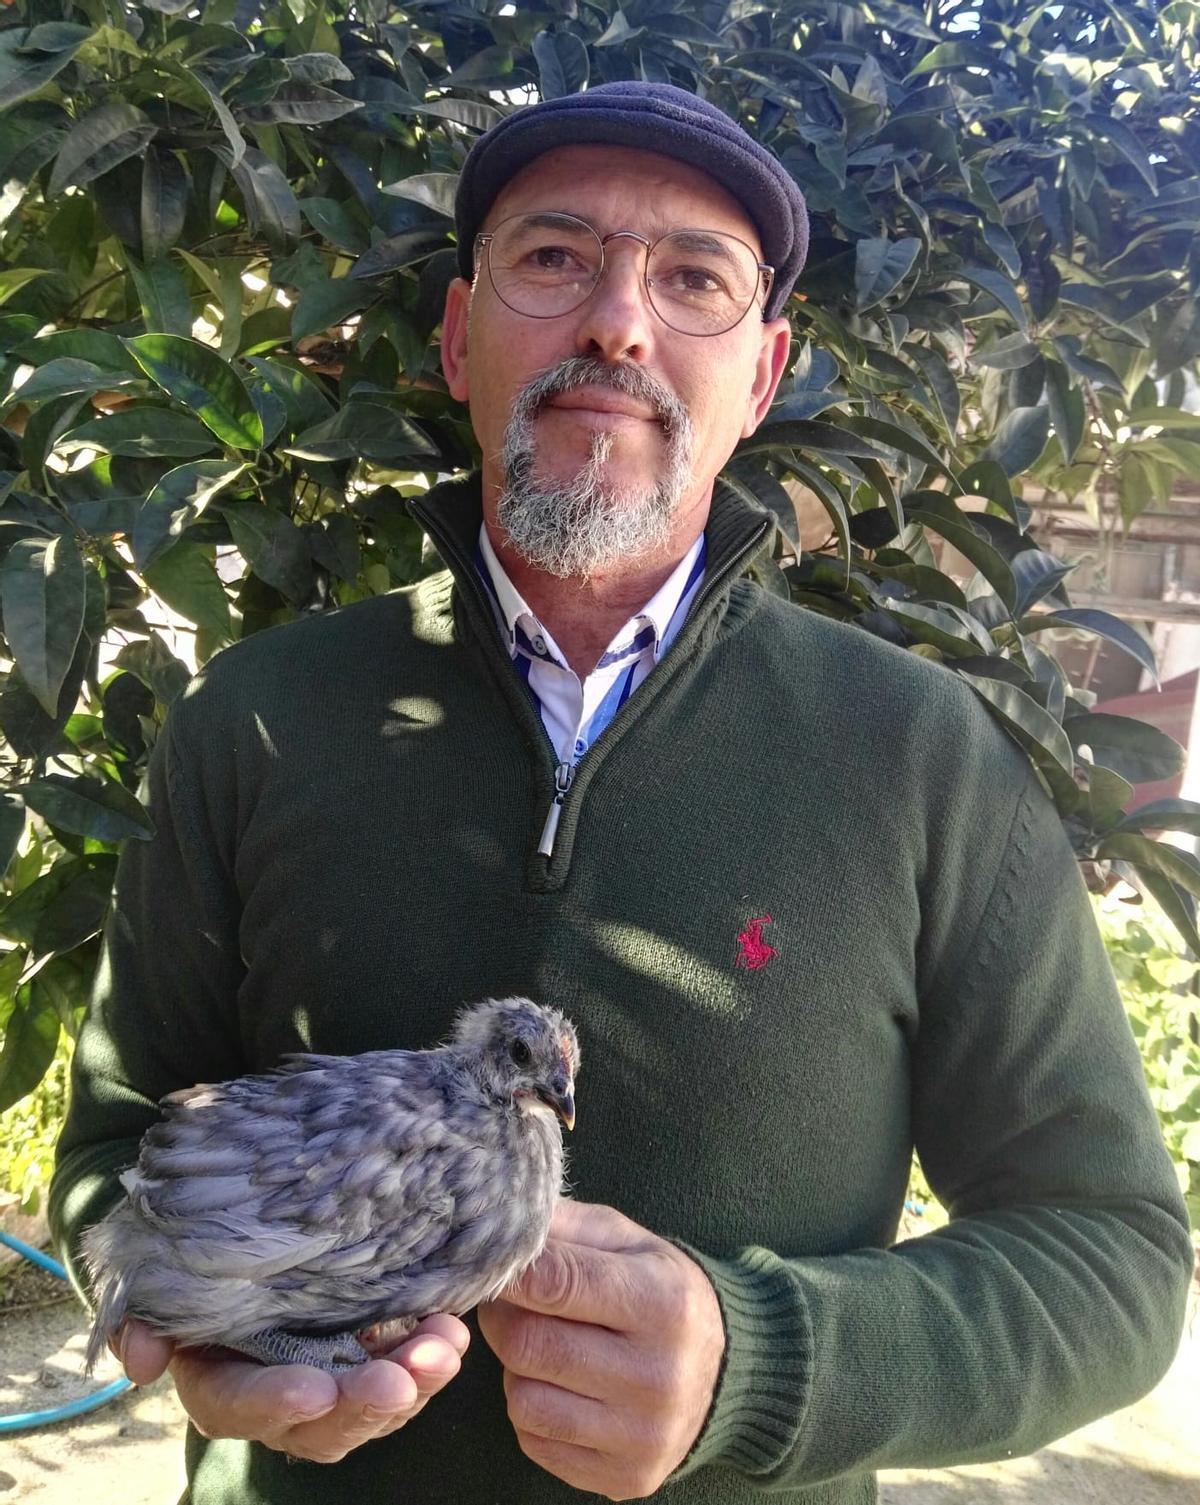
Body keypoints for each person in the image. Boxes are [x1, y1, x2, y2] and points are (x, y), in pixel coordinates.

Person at [50, 82, 1192, 1505]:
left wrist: (765, 1361)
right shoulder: (255, 719)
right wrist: (192, 1335)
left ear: (764, 375)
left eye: (692, 278)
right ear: (462, 335)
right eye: (554, 257)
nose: (618, 322)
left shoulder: (924, 756)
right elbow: (114, 1144)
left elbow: (1115, 1253)